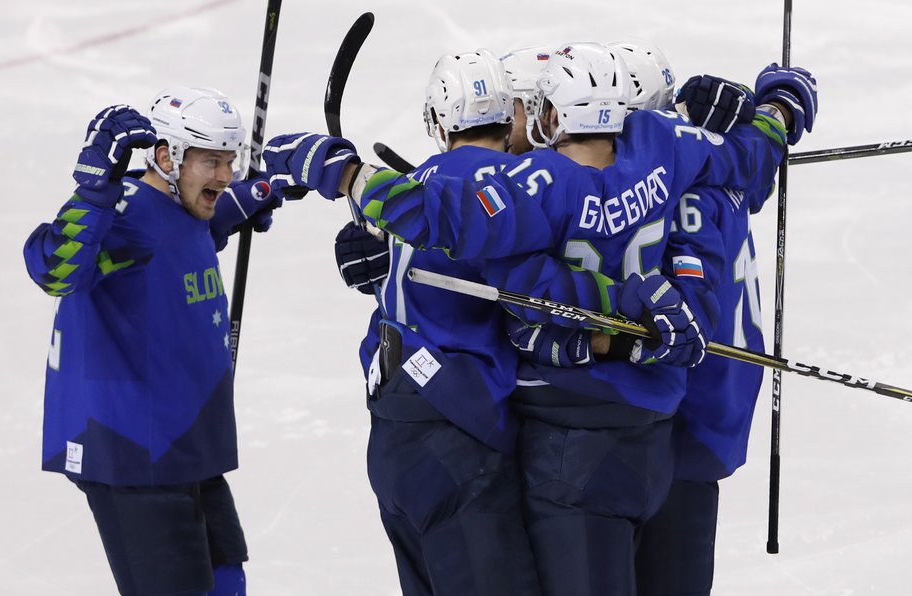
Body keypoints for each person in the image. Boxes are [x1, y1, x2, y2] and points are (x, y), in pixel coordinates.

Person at [265, 40, 815, 594]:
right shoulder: (671, 147)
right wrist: (775, 109)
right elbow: (749, 164)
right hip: (677, 433)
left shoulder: (543, 184)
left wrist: (351, 180)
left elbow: (478, 246)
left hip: (568, 443)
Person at [281, 50, 541, 596]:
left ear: (439, 120)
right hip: (463, 429)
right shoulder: (523, 185)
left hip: (395, 429)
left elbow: (397, 279)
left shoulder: (403, 191)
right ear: (513, 113)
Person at [22, 86, 281, 596]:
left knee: (227, 579)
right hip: (134, 448)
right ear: (167, 157)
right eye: (212, 162)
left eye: (230, 161)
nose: (226, 176)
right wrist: (94, 183)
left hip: (185, 443)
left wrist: (251, 198)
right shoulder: (119, 216)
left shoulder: (180, 213)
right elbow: (55, 269)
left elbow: (175, 242)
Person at [634, 65, 818, 596]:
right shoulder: (731, 170)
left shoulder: (661, 192)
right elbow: (758, 152)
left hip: (664, 424)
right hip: (715, 422)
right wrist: (778, 108)